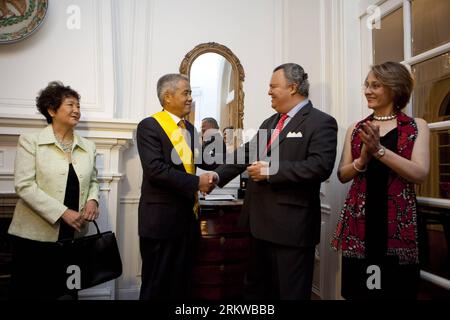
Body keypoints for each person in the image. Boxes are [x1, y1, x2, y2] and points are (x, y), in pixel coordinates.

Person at [210, 63, 338, 299]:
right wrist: (217, 175)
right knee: (257, 291)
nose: (269, 92)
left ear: (293, 87)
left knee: (290, 293)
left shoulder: (321, 122)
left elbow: (320, 166)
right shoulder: (270, 122)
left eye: (273, 86)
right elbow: (246, 154)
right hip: (258, 226)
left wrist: (272, 171)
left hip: (292, 229)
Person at [331, 61, 430, 299]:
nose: (367, 90)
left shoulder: (417, 126)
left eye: (375, 85)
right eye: (367, 85)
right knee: (360, 292)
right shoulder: (356, 128)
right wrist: (361, 161)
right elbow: (342, 175)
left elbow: (420, 173)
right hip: (360, 223)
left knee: (396, 292)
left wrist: (379, 151)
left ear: (395, 89)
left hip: (398, 224)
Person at [8, 81, 99, 299]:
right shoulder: (30, 141)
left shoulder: (89, 146)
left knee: (68, 292)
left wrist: (93, 201)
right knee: (32, 293)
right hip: (34, 238)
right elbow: (24, 185)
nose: (77, 110)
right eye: (70, 105)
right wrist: (62, 212)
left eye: (78, 105)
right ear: (51, 110)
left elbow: (93, 180)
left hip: (73, 235)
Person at [136, 74, 217, 300]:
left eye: (191, 93)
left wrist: (238, 154)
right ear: (168, 96)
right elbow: (156, 170)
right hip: (160, 222)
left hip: (187, 221)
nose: (191, 98)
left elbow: (205, 160)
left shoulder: (190, 129)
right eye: (186, 93)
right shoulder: (149, 126)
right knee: (156, 286)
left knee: (182, 285)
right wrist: (197, 182)